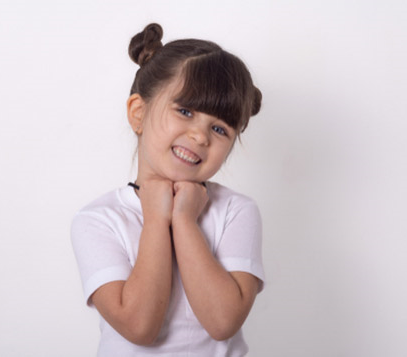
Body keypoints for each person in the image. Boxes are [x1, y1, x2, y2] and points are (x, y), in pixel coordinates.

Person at [71, 23, 265, 356]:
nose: (201, 137)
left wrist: (185, 221)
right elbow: (139, 326)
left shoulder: (236, 211)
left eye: (219, 128)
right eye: (185, 111)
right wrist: (157, 219)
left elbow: (222, 323)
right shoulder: (99, 220)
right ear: (138, 113)